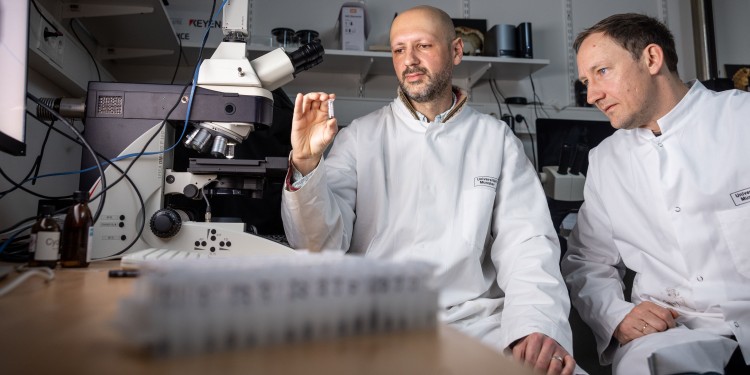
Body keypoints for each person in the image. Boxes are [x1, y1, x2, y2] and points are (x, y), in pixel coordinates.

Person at [281, 5, 577, 375]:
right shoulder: (360, 136)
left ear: (456, 52)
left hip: (476, 321)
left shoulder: (494, 139)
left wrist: (535, 324)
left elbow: (527, 243)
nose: (409, 61)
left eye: (422, 46)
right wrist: (306, 163)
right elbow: (318, 245)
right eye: (399, 50)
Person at [561, 13, 750, 375]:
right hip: (670, 333)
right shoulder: (607, 160)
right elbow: (586, 261)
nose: (591, 95)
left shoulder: (742, 119)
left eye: (602, 72)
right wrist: (616, 315)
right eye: (586, 81)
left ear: (651, 59)